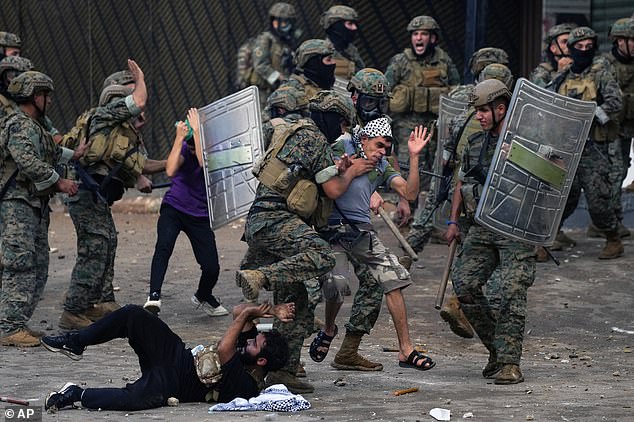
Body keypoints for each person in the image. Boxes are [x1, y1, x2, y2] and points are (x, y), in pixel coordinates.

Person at [236, 92, 375, 394]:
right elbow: (334, 190)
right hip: (275, 219)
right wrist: (352, 170)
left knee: (296, 298)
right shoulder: (315, 139)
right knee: (322, 255)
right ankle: (261, 276)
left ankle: (276, 371)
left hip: (261, 221)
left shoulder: (293, 132)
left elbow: (309, 178)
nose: (340, 131)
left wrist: (338, 167)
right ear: (332, 119)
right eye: (340, 125)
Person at [309, 117, 435, 373]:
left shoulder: (382, 166)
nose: (381, 152)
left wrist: (413, 157)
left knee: (394, 280)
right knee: (336, 285)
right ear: (364, 140)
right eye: (378, 145)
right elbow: (319, 173)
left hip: (361, 234)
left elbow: (409, 193)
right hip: (332, 233)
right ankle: (329, 328)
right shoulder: (340, 148)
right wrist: (344, 167)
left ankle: (406, 349)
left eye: (386, 148)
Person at [59, 60, 167, 330]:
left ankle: (102, 300)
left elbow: (140, 165)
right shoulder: (105, 115)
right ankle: (73, 310)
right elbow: (139, 101)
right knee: (94, 248)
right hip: (84, 192)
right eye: (129, 94)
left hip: (96, 196)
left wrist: (172, 162)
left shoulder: (121, 130)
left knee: (108, 241)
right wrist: (140, 77)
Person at [445, 79, 536, 385]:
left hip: (516, 229)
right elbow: (461, 182)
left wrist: (521, 157)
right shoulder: (474, 144)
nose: (479, 116)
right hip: (482, 227)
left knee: (512, 291)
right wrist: (454, 222)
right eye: (477, 110)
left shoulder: (527, 142)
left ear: (501, 109)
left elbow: (555, 176)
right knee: (465, 284)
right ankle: (497, 351)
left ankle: (510, 363)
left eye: (484, 110)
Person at [42, 302, 293, 411]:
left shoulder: (248, 386)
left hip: (172, 383)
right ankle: (76, 342)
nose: (249, 341)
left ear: (261, 361)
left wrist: (247, 315)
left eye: (255, 343)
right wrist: (271, 310)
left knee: (135, 398)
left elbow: (224, 350)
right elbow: (241, 311)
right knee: (133, 315)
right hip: (174, 352)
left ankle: (75, 394)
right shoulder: (248, 350)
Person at [0, 71, 85, 347]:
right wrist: (59, 182)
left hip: (33, 204)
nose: (49, 101)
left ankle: (17, 322)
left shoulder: (33, 126)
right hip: (17, 205)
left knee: (38, 264)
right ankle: (9, 327)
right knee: (20, 264)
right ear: (36, 97)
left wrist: (77, 155)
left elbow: (52, 150)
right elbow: (27, 160)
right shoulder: (20, 125)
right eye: (46, 95)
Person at [547, 26, 624, 259]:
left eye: (588, 48)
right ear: (570, 50)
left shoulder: (601, 72)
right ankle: (546, 238)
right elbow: (549, 100)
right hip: (567, 148)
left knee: (597, 200)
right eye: (578, 48)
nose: (584, 51)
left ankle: (613, 238)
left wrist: (591, 115)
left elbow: (615, 103)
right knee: (562, 197)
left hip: (593, 148)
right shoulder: (563, 75)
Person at [143, 108, 226, 317]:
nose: (190, 148)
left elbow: (202, 162)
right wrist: (179, 138)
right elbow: (170, 170)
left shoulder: (212, 150)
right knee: (163, 248)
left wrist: (197, 132)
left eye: (193, 142)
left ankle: (203, 295)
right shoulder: (184, 147)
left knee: (211, 267)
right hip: (175, 208)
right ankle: (154, 296)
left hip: (199, 215)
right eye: (189, 144)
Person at [385, 15, 460, 194]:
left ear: (433, 38)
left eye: (423, 34)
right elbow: (385, 92)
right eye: (415, 34)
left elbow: (457, 91)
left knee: (436, 167)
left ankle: (426, 208)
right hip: (406, 127)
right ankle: (404, 207)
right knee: (405, 165)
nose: (418, 38)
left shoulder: (444, 61)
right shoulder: (400, 61)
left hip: (436, 126)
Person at [600, 17, 634, 238]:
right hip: (612, 129)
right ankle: (610, 221)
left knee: (622, 170)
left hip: (629, 126)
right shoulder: (605, 64)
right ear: (620, 41)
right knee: (614, 172)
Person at [251, 2, 299, 110]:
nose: (284, 25)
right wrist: (279, 78)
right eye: (280, 21)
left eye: (287, 22)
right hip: (266, 93)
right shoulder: (266, 39)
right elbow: (260, 65)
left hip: (284, 92)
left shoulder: (288, 42)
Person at [321, 5, 365, 81]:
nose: (355, 28)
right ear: (336, 25)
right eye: (350, 24)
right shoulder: (322, 53)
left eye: (355, 24)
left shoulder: (352, 52)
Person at [530, 23, 578, 88]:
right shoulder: (542, 73)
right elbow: (542, 96)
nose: (569, 45)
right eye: (564, 41)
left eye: (571, 41)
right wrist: (560, 73)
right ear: (553, 48)